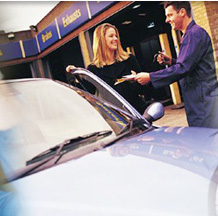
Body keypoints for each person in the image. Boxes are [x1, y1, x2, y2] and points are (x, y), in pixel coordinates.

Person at [134, 1, 218, 128]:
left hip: (203, 105)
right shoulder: (190, 34)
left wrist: (150, 77)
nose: (167, 20)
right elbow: (191, 65)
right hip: (201, 103)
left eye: (169, 15)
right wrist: (172, 61)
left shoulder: (193, 34)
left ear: (182, 12)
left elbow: (183, 68)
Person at [67, 23, 147, 114]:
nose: (116, 39)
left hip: (138, 113)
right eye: (111, 36)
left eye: (116, 36)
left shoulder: (129, 59)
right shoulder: (93, 69)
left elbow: (144, 90)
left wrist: (135, 81)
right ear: (101, 40)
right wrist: (77, 74)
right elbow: (88, 93)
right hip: (117, 118)